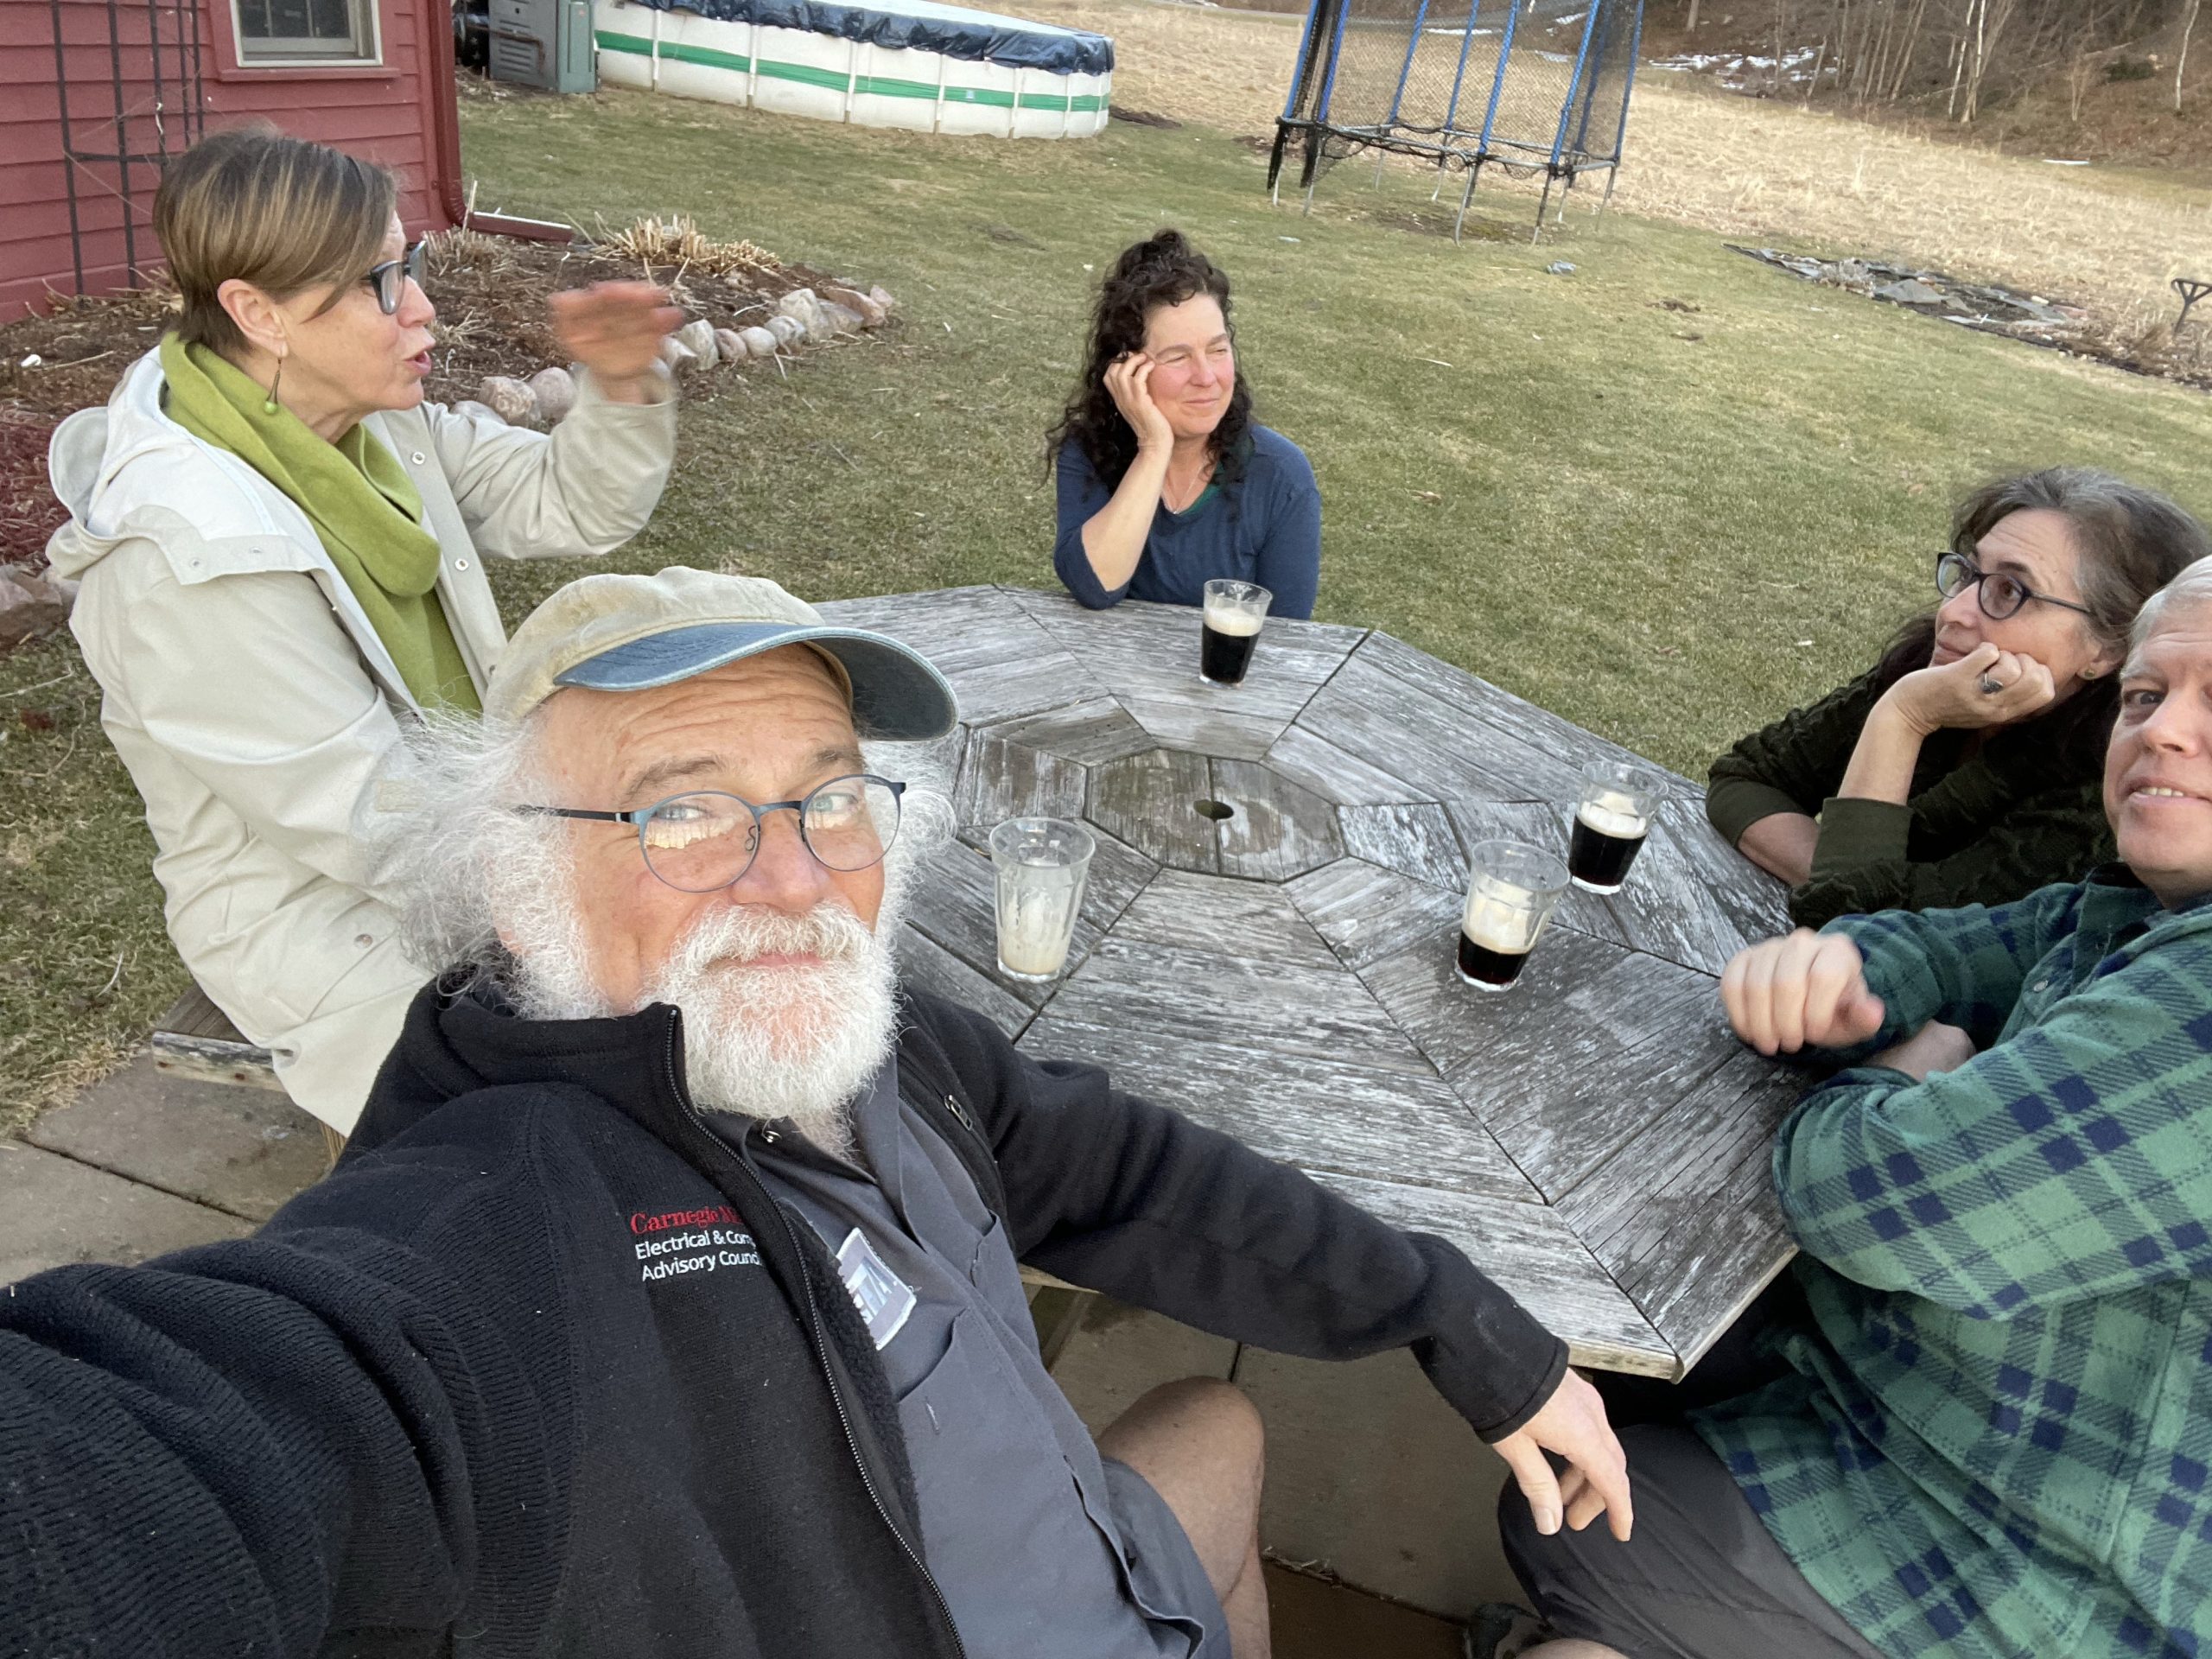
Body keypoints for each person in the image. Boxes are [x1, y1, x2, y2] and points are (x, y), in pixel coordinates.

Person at [0, 567, 1630, 1658]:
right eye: (684, 812)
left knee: (1220, 1430)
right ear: (513, 881)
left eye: (830, 796)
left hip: (1108, 1583)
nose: (792, 880)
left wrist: (1464, 1321)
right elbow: (200, 1452)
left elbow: (1131, 1171)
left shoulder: (881, 1050)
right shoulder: (494, 1234)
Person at [1500, 556, 2212, 1658]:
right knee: (1581, 1348)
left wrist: (1891, 1077)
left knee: (1564, 1514)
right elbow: (1935, 940)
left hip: (2040, 1563)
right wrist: (1843, 979)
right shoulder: (2133, 901)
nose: (2162, 730)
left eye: (2015, 589)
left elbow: (1873, 1201)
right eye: (2147, 697)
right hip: (1912, 1378)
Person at [43, 124, 679, 1134]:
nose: (421, 306)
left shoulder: (366, 421)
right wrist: (622, 870)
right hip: (326, 926)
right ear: (258, 313)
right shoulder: (183, 559)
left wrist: (621, 382)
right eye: (380, 283)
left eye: (409, 263)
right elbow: (375, 825)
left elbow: (568, 500)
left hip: (472, 829)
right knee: (604, 1105)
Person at [1707, 468, 2208, 930]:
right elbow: (1745, 779)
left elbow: (1861, 934)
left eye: (2010, 591)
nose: (1954, 612)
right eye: (1969, 574)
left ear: (2109, 648)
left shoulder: (2098, 798)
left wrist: (1903, 719)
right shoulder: (1936, 670)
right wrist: (1832, 873)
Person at [1049, 229, 1322, 619]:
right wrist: (1154, 448)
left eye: (1218, 350)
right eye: (1178, 357)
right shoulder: (1092, 451)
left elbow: (1290, 636)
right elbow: (1095, 586)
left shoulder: (1280, 474)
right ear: (1127, 369)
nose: (1207, 377)